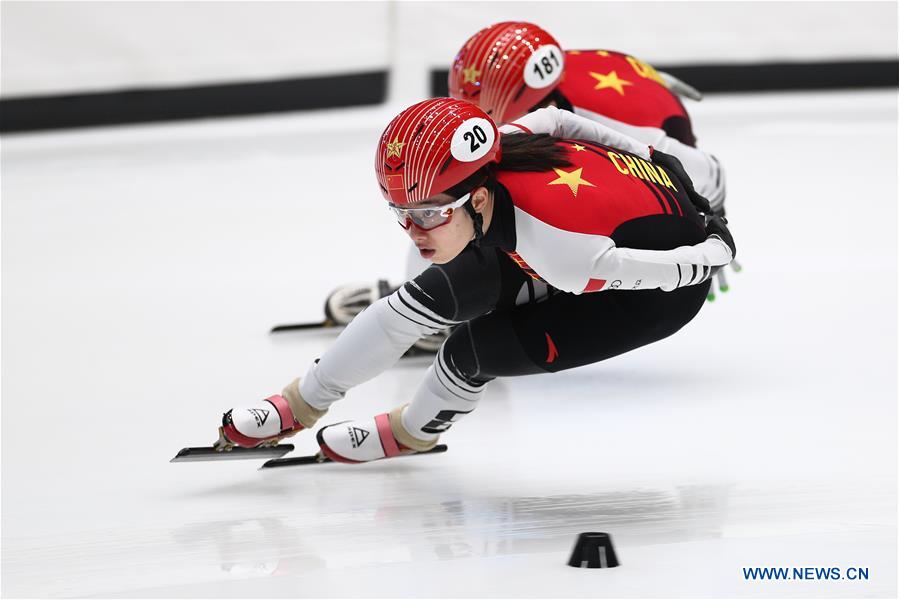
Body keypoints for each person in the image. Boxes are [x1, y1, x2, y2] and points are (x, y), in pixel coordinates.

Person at [214, 98, 736, 464]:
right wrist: (652, 156)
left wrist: (714, 246)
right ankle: (299, 403)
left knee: (469, 352)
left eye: (428, 214)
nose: (413, 231)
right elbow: (559, 119)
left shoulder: (564, 254)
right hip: (591, 229)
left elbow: (662, 272)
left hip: (653, 294)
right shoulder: (498, 150)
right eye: (401, 212)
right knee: (417, 303)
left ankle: (410, 433)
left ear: (479, 198)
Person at [325, 22, 735, 335]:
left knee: (511, 214)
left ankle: (479, 294)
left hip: (649, 168)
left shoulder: (626, 129)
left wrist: (709, 228)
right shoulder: (544, 91)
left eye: (491, 117)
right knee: (461, 199)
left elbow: (709, 174)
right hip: (614, 113)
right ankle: (436, 290)